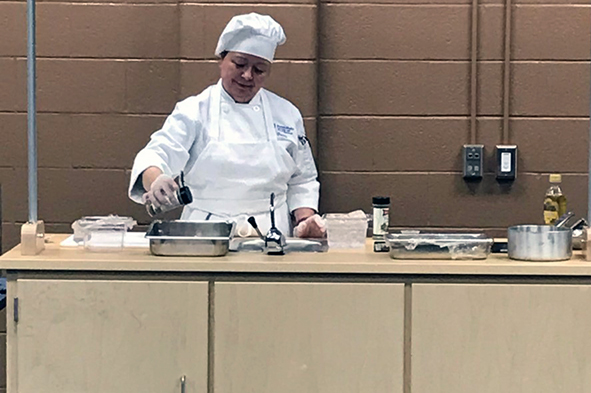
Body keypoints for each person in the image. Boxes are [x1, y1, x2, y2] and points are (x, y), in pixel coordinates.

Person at [128, 13, 325, 238]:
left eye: (259, 69)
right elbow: (156, 153)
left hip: (271, 234)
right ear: (221, 59)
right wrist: (156, 180)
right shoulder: (194, 111)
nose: (248, 75)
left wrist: (305, 220)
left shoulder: (287, 114)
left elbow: (303, 178)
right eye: (239, 63)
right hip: (205, 233)